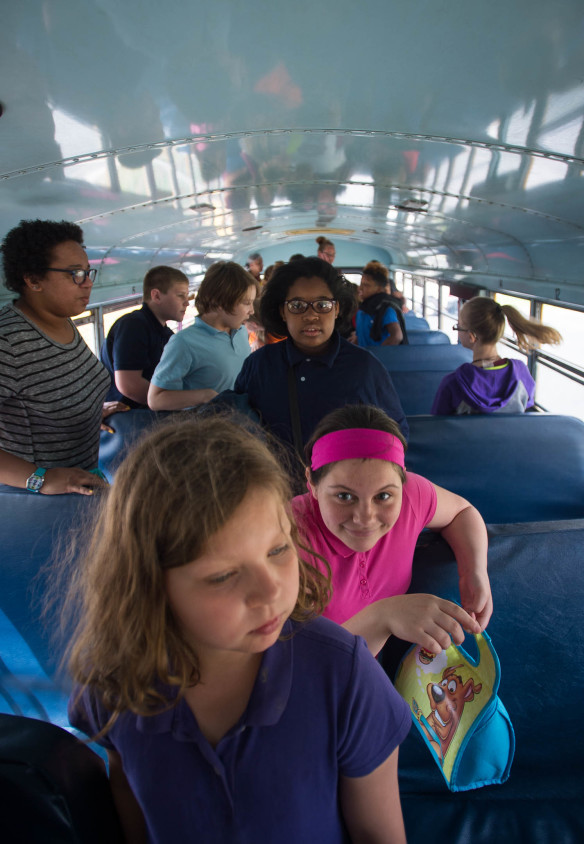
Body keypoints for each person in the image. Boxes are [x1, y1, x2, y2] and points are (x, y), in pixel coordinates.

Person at [66, 415, 411, 843]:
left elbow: (379, 834)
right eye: (223, 575)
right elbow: (134, 813)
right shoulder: (115, 685)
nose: (270, 591)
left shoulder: (345, 678)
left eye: (279, 550)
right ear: (149, 585)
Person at [292, 405, 492, 657]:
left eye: (384, 495)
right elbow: (300, 668)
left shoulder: (411, 497)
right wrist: (383, 617)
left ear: (402, 482)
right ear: (312, 484)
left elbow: (462, 512)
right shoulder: (286, 540)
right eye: (344, 496)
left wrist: (473, 570)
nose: (365, 518)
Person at [233, 257, 409, 457]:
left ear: (336, 309)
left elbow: (396, 436)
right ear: (283, 312)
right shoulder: (259, 366)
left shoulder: (365, 368)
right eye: (297, 306)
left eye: (323, 305)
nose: (310, 316)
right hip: (275, 486)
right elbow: (237, 428)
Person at [0, 219, 125, 495]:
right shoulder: (8, 342)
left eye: (87, 272)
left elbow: (49, 392)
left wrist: (90, 411)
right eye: (74, 274)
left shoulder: (61, 319)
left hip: (81, 485)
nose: (87, 283)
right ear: (33, 280)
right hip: (35, 504)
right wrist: (39, 480)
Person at [148, 262, 258, 411]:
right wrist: (205, 396)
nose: (251, 311)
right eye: (246, 303)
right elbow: (155, 400)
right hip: (207, 428)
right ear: (221, 302)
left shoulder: (241, 332)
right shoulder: (183, 343)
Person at [431, 297, 562, 415]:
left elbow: (438, 428)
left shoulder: (453, 383)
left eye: (458, 327)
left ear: (471, 336)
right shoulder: (521, 373)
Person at [101, 266, 190, 408]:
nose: (187, 303)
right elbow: (130, 386)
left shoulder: (166, 335)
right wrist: (177, 404)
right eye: (181, 295)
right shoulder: (133, 326)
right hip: (128, 414)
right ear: (156, 296)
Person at [356, 261, 406, 347]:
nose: (360, 288)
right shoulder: (364, 309)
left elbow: (397, 336)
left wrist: (377, 354)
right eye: (361, 284)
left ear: (379, 288)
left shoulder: (386, 309)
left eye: (366, 285)